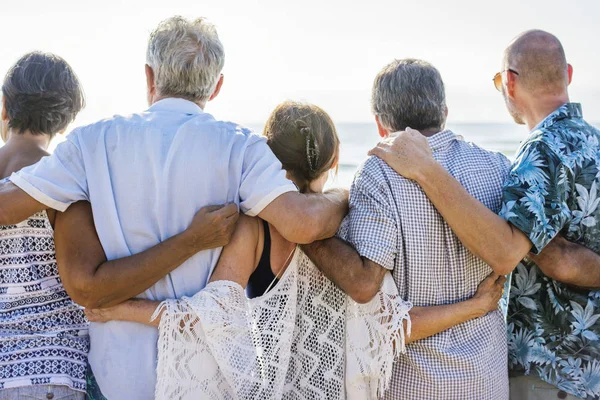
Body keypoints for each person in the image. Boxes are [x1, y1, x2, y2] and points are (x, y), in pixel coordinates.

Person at [0, 17, 348, 400]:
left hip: (116, 376)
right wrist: (342, 195)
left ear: (149, 77)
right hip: (202, 377)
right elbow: (303, 224)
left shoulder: (91, 142)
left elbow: (5, 207)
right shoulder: (242, 148)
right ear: (216, 86)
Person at [84, 101, 505, 400]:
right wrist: (476, 306)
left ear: (268, 155)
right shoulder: (353, 223)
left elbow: (210, 318)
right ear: (335, 158)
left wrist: (120, 308)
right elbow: (393, 326)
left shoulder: (255, 228)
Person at [370, 31, 600, 400]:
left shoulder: (541, 151)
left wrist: (427, 170)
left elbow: (511, 253)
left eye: (498, 81)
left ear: (509, 81)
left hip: (553, 369)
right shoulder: (594, 142)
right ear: (568, 74)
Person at [300, 59, 511, 400]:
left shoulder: (378, 172)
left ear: (380, 123)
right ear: (444, 111)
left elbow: (364, 283)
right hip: (486, 379)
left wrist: (303, 225)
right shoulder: (497, 166)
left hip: (413, 383)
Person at [0, 52, 87, 400]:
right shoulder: (64, 183)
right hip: (49, 369)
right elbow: (83, 282)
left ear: (5, 107)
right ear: (65, 121)